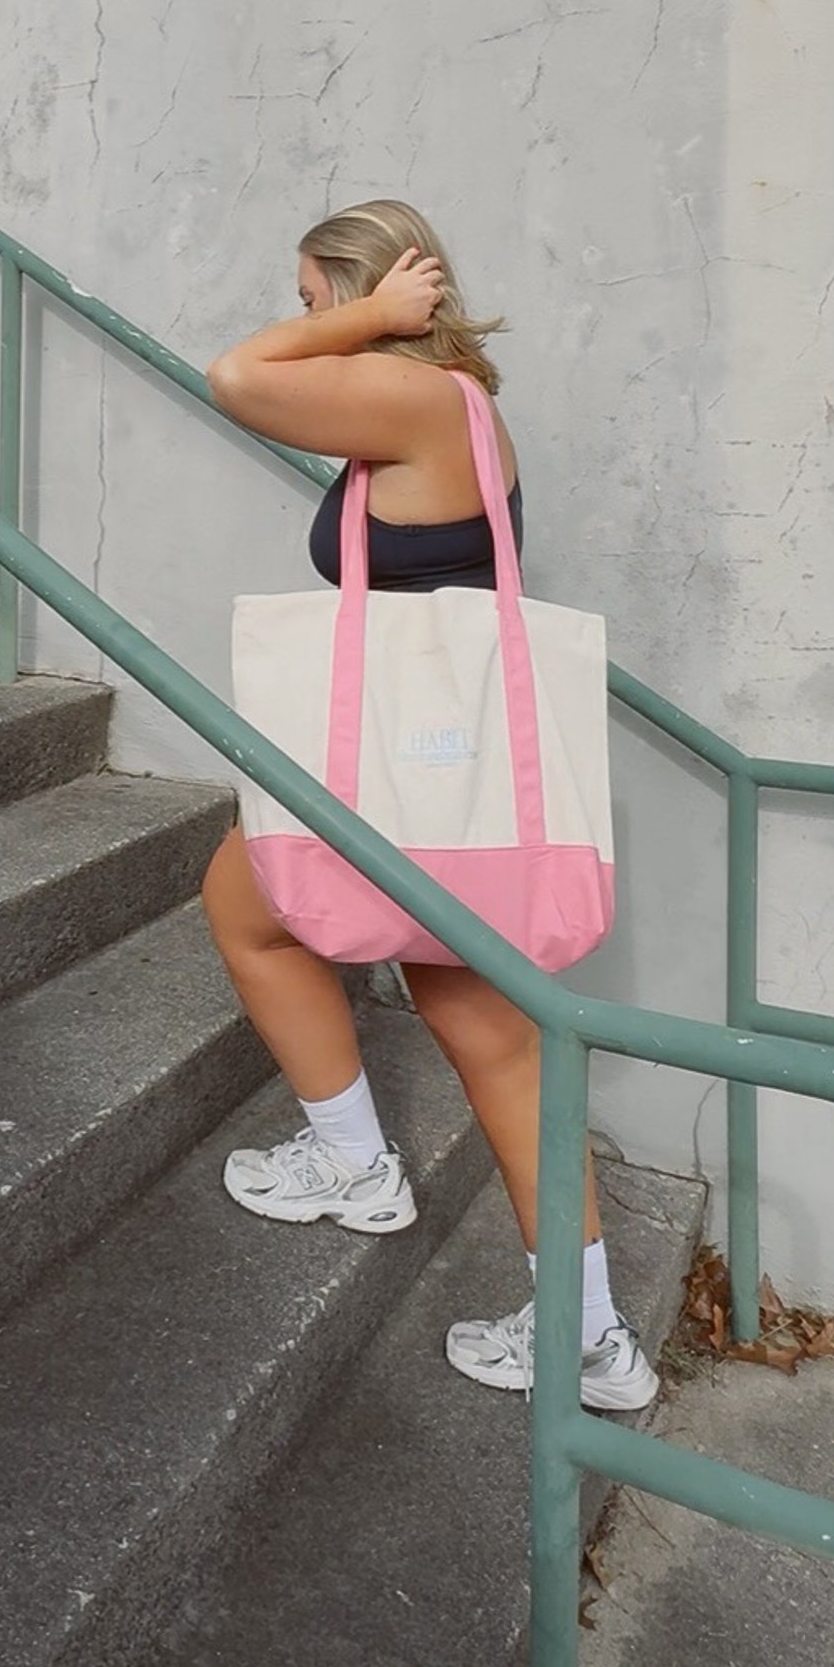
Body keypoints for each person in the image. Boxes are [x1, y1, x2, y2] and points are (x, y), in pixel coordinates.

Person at [201, 198, 657, 1412]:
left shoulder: (408, 396)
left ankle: (357, 1163)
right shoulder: (467, 409)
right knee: (490, 1035)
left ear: (370, 295)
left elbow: (235, 375)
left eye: (317, 296)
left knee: (250, 915)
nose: (311, 326)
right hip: (444, 780)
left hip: (402, 772)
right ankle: (592, 1336)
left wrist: (364, 318)